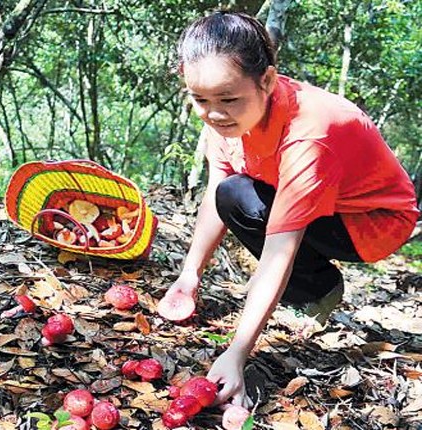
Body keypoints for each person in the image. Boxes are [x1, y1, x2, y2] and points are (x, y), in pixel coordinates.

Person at [156, 11, 419, 408]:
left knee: (244, 199)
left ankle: (315, 292)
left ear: (267, 80)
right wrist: (189, 275)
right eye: (200, 100)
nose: (213, 113)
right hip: (317, 201)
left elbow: (281, 246)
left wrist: (238, 352)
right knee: (232, 194)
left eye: (228, 99)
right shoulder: (224, 117)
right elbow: (217, 195)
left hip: (372, 222)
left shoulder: (310, 132)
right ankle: (314, 283)